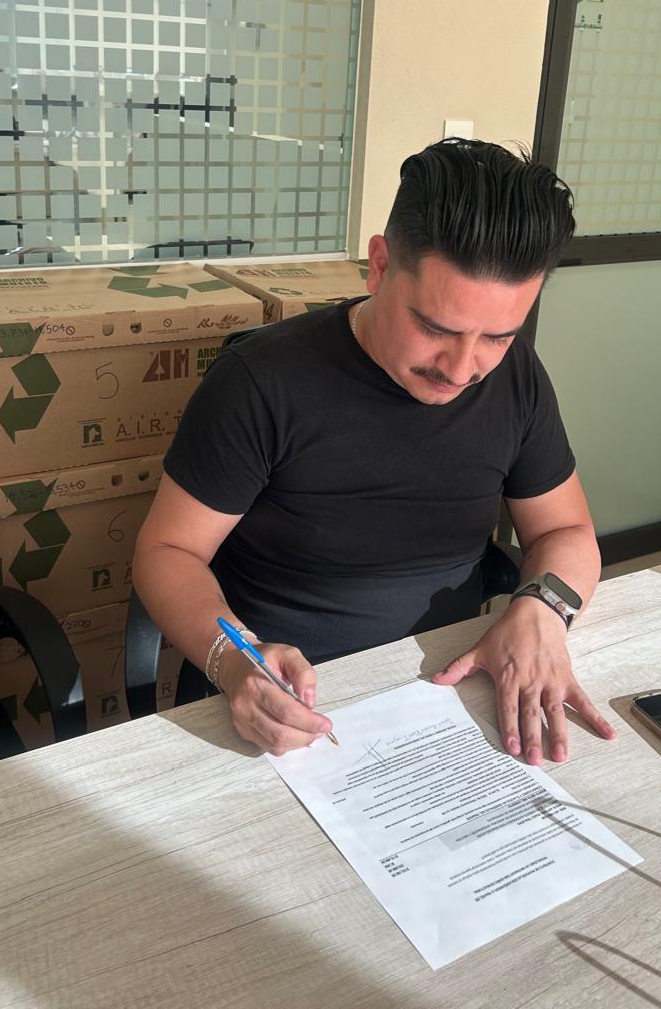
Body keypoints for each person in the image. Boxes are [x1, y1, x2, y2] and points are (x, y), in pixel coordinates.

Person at [133, 138, 616, 763]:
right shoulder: (261, 383)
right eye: (435, 328)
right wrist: (234, 660)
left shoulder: (517, 376)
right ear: (380, 266)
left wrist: (543, 609)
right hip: (292, 700)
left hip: (454, 687)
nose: (462, 369)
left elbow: (566, 531)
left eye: (497, 337)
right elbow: (167, 552)